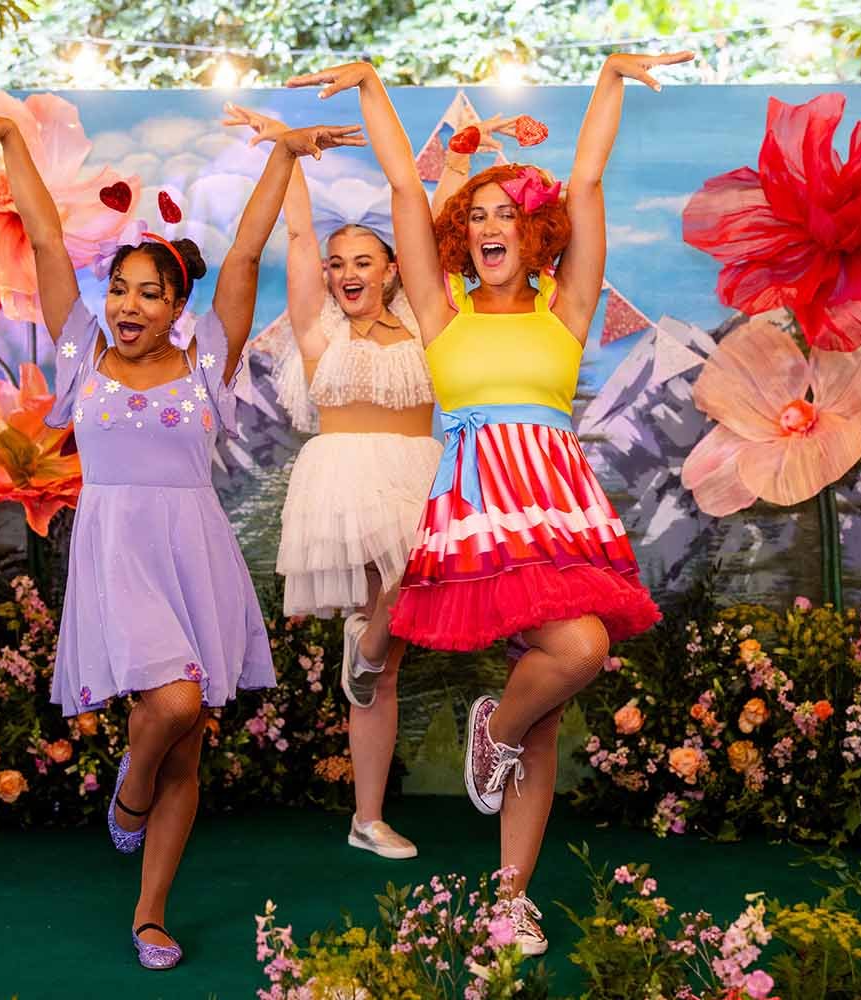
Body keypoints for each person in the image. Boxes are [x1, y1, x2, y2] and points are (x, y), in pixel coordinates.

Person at [0, 111, 366, 967]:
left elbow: (246, 255)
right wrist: (11, 139)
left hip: (192, 552)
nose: (128, 304)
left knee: (187, 747)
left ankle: (150, 911)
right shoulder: (82, 353)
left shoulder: (207, 362)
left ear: (176, 307)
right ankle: (128, 797)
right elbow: (46, 242)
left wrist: (284, 154)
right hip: (116, 552)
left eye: (149, 293)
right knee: (173, 704)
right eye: (120, 288)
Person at [288, 53, 686, 954]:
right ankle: (493, 733)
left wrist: (612, 78)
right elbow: (404, 184)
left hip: (558, 511)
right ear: (460, 236)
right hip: (477, 516)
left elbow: (588, 181)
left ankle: (510, 896)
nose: (491, 225)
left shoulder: (565, 308)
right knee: (578, 649)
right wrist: (370, 86)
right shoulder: (442, 311)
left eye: (508, 212)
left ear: (534, 230)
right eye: (477, 215)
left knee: (546, 712)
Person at [222, 103, 516, 861]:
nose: (347, 272)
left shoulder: (423, 318)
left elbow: (431, 224)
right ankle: (368, 814)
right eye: (338, 263)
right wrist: (289, 154)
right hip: (345, 483)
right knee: (383, 649)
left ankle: (371, 651)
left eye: (364, 261)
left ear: (391, 269)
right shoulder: (319, 329)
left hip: (418, 474)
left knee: (387, 646)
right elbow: (296, 237)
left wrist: (462, 156)